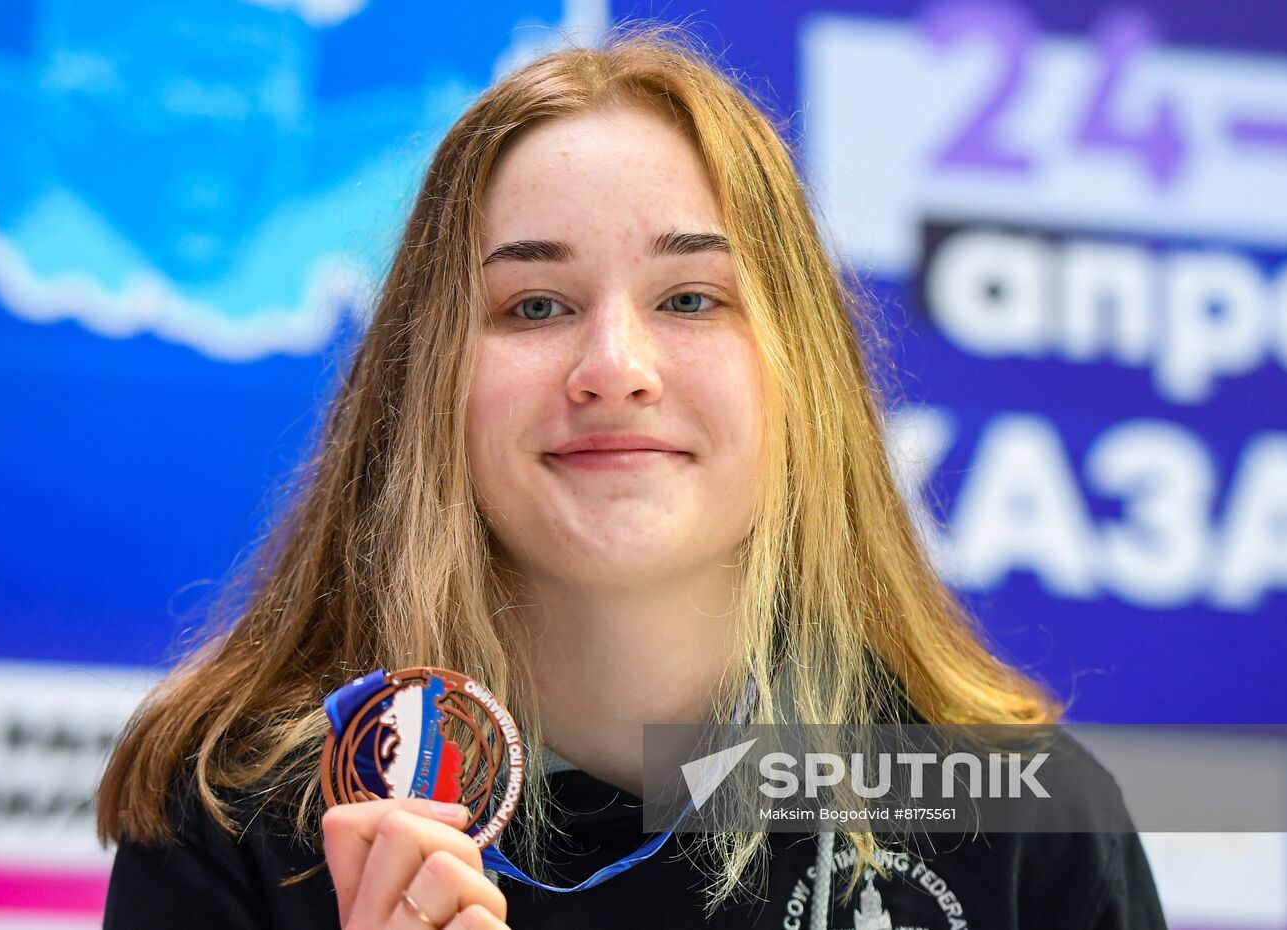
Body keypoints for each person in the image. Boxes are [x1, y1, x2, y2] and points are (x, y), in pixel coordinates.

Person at [96, 23, 1168, 930]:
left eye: (691, 298)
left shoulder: (1022, 820)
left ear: (805, 376)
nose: (614, 368)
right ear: (429, 387)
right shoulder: (244, 814)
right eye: (534, 306)